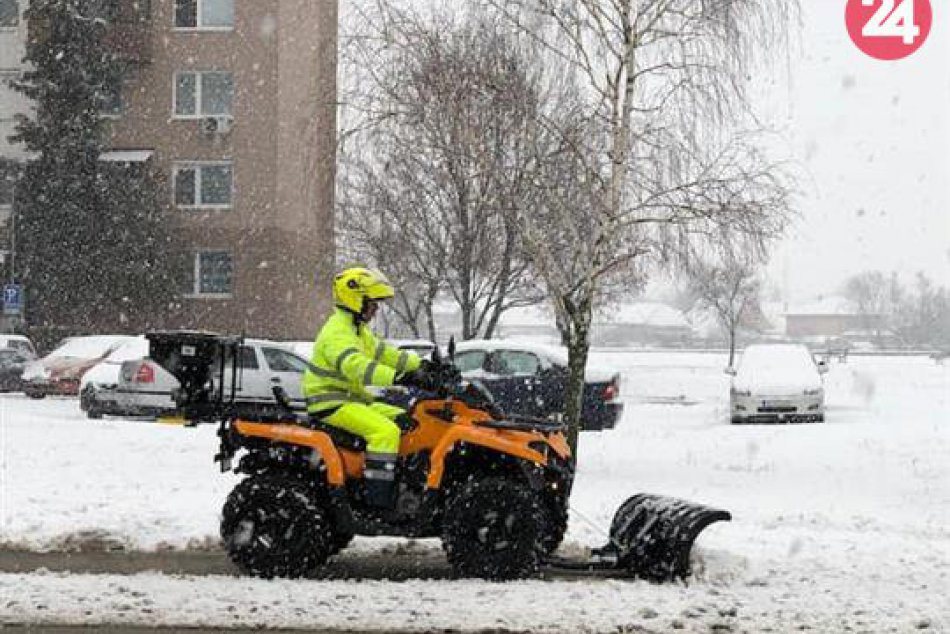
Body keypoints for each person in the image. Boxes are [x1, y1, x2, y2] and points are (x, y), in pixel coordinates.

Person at [303, 267, 438, 509]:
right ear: (356, 300)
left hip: (352, 400)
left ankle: (405, 483)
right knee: (385, 432)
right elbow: (356, 366)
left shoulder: (357, 330)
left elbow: (385, 353)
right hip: (331, 403)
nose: (375, 309)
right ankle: (377, 501)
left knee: (409, 419)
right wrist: (400, 377)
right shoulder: (337, 332)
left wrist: (422, 365)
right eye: (372, 303)